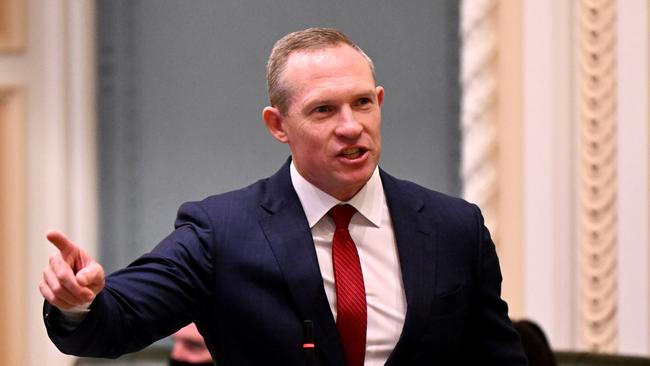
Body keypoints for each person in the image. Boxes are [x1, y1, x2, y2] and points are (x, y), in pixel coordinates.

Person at [40, 28, 528, 365]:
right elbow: (116, 322)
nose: (351, 126)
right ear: (279, 125)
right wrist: (79, 301)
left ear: (379, 103)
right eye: (323, 110)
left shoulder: (452, 227)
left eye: (362, 103)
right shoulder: (221, 233)